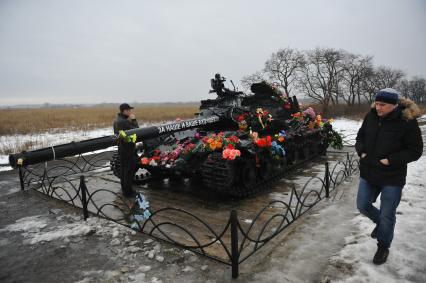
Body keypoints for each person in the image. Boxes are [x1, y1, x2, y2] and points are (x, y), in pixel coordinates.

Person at [355, 88, 423, 265]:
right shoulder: (371, 116)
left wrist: (390, 160)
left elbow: (415, 151)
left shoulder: (406, 121)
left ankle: (383, 246)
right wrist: (361, 151)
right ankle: (383, 226)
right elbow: (360, 136)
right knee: (362, 205)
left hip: (392, 176)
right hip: (369, 171)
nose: (378, 107)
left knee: (387, 214)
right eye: (377, 103)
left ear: (394, 106)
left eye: (382, 105)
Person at [113, 103, 139, 197]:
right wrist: (133, 120)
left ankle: (126, 191)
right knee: (128, 171)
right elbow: (136, 132)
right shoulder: (124, 122)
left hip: (122, 148)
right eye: (129, 110)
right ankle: (128, 193)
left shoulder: (117, 121)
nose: (130, 112)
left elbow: (120, 136)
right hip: (128, 149)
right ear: (124, 111)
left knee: (124, 171)